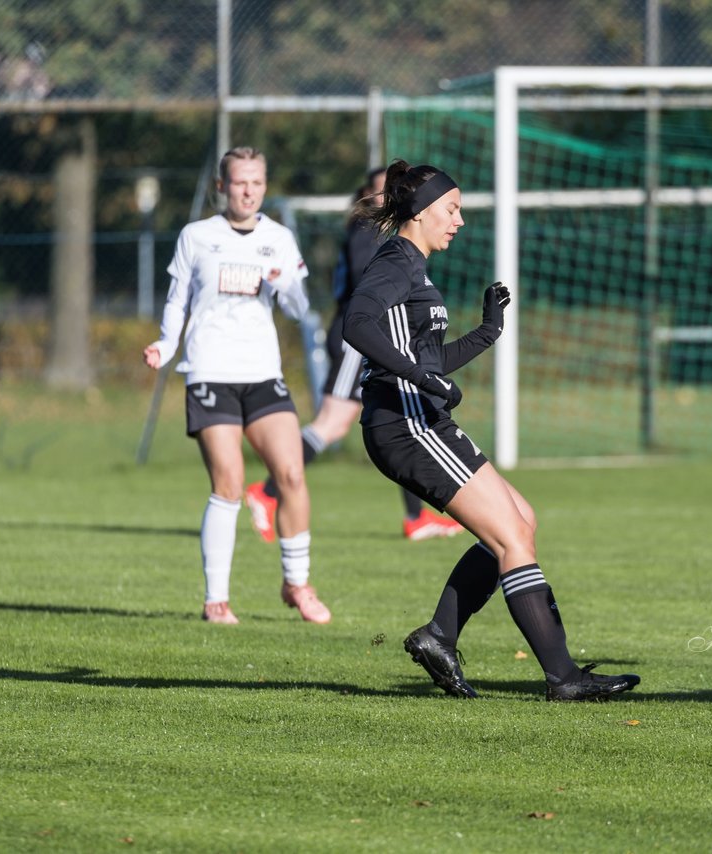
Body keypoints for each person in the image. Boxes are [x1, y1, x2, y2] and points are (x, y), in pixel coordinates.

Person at [341, 160, 640, 702]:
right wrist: (419, 376)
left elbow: (427, 357)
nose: (458, 221)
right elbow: (356, 324)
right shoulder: (396, 262)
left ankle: (439, 637)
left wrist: (487, 332)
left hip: (421, 417)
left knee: (521, 519)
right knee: (511, 536)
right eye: (451, 210)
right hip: (405, 423)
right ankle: (563, 677)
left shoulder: (416, 267)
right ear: (421, 210)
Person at [143, 146, 331, 626]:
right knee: (227, 483)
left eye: (257, 183)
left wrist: (283, 282)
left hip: (262, 374)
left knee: (290, 475)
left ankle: (297, 583)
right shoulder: (197, 236)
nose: (248, 191)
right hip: (210, 372)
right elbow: (177, 299)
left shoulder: (280, 238)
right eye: (239, 182)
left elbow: (296, 306)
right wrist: (166, 345)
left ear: (265, 187)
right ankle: (217, 600)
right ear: (222, 187)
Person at [244, 167, 464, 543]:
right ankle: (267, 491)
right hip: (356, 338)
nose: (393, 197)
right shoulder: (367, 229)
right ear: (367, 194)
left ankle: (416, 518)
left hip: (374, 333)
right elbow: (370, 282)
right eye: (384, 190)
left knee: (400, 407)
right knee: (330, 424)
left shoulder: (382, 234)